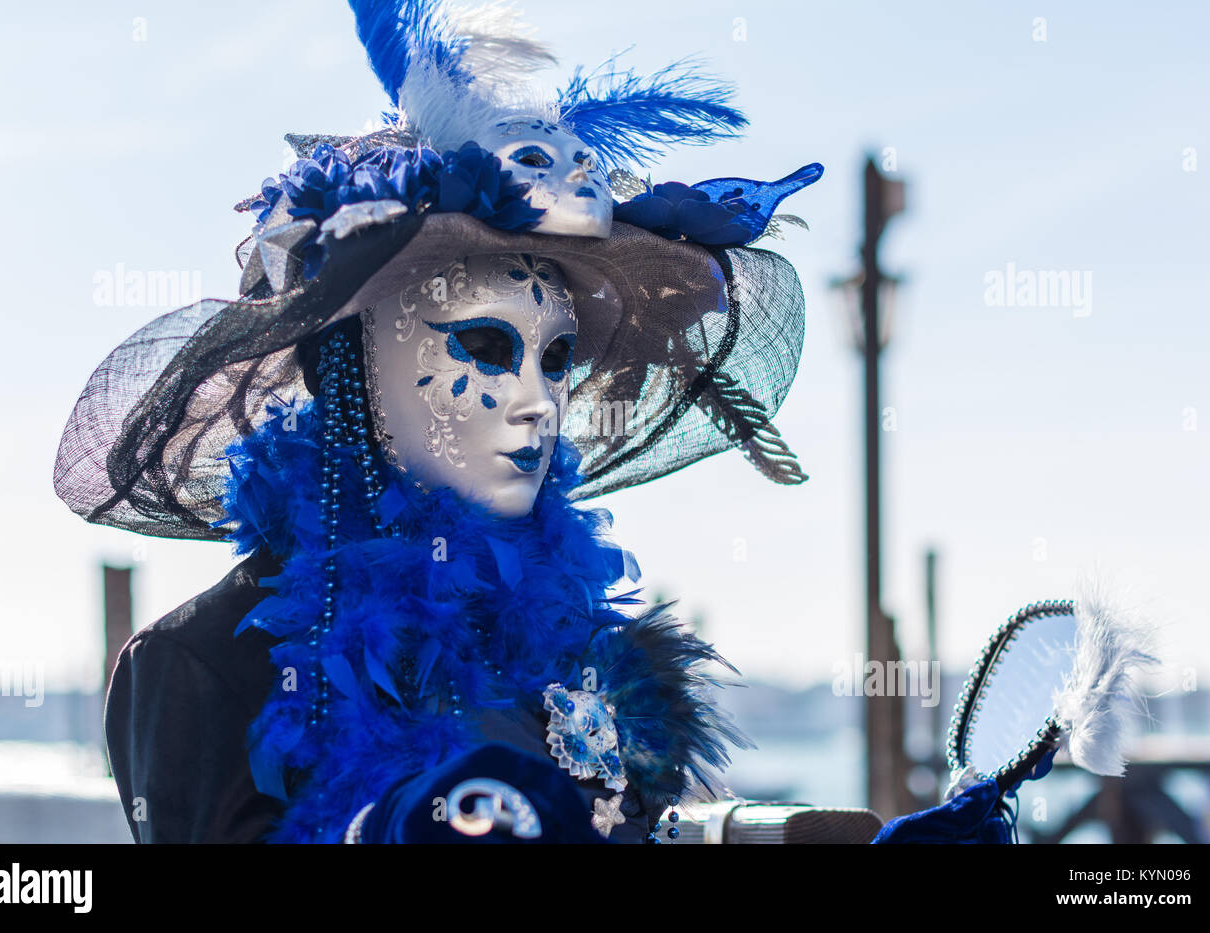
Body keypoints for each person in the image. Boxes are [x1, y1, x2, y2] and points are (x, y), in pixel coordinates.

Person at [53, 0, 825, 843]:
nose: (540, 399)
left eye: (558, 357)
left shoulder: (596, 669)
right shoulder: (202, 665)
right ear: (354, 365)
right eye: (487, 345)